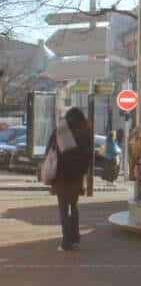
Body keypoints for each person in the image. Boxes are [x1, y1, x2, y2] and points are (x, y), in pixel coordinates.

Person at [44, 107, 93, 252]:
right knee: (74, 205)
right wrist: (82, 170)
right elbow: (89, 155)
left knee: (63, 208)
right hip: (76, 176)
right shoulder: (85, 132)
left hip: (61, 176)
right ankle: (75, 237)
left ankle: (66, 242)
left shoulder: (60, 130)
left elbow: (49, 151)